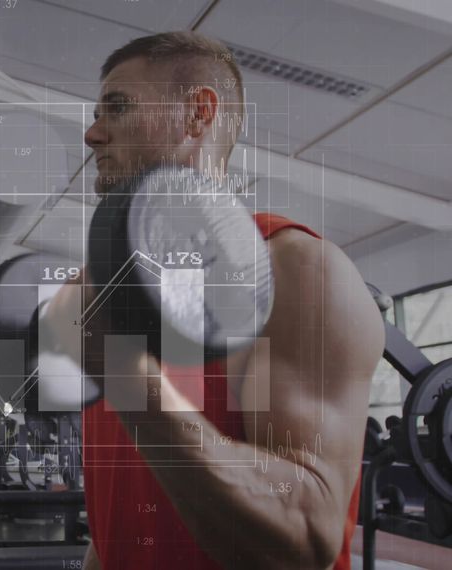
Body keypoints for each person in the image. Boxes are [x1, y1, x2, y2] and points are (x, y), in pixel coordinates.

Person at [43, 31, 385, 569]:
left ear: (197, 114)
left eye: (118, 108)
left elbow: (307, 536)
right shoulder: (110, 287)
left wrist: (125, 374)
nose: (92, 134)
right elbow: (120, 522)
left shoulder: (297, 269)